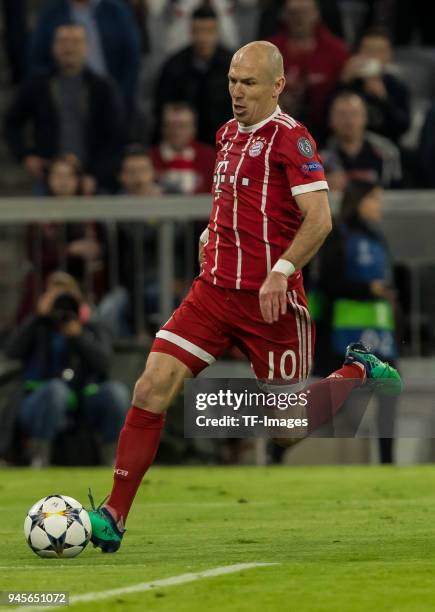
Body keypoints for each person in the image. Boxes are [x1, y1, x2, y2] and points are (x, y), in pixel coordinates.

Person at [87, 41, 401, 552]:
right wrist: (212, 234)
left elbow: (319, 219)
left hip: (270, 304)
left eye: (248, 83)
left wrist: (280, 270)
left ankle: (356, 370)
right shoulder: (226, 135)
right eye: (233, 81)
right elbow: (233, 202)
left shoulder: (292, 140)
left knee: (283, 430)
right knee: (150, 387)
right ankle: (114, 513)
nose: (237, 92)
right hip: (212, 293)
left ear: (277, 85)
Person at [5, 272, 129, 468]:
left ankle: (112, 459)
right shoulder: (39, 325)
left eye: (67, 298)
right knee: (56, 390)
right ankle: (40, 457)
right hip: (38, 400)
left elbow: (104, 362)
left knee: (116, 393)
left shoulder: (91, 327)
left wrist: (79, 336)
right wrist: (38, 317)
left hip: (82, 400)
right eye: (57, 299)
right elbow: (12, 351)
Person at [314, 180, 399, 462]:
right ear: (360, 202)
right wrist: (367, 290)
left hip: (380, 333)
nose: (380, 206)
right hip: (345, 336)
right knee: (329, 407)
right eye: (375, 199)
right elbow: (327, 283)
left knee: (389, 396)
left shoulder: (379, 238)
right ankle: (279, 446)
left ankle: (388, 462)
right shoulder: (340, 236)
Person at [4, 22, 126, 194]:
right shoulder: (37, 84)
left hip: (91, 178)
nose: (69, 48)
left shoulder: (102, 87)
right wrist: (25, 155)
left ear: (86, 47)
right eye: (63, 42)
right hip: (49, 178)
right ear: (53, 46)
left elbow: (115, 137)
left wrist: (97, 174)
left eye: (75, 42)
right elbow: (12, 122)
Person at [28, 0, 141, 112]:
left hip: (111, 101)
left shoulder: (116, 10)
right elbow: (37, 60)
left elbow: (132, 60)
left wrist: (119, 100)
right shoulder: (51, 12)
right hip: (61, 103)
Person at [267, 0, 350, 140]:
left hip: (326, 131)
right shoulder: (268, 49)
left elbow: (344, 93)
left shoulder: (337, 50)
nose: (299, 18)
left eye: (305, 12)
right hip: (279, 129)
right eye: (293, 13)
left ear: (316, 14)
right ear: (284, 16)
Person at [154, 6, 233, 145]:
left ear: (217, 33)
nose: (203, 38)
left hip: (225, 141)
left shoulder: (232, 66)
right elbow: (162, 110)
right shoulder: (174, 66)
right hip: (183, 145)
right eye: (198, 31)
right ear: (190, 32)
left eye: (209, 32)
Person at [338, 27, 410, 143]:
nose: (373, 56)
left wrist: (383, 98)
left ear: (389, 55)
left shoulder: (397, 87)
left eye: (379, 51)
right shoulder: (349, 83)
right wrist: (343, 82)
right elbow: (326, 119)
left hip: (385, 148)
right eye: (368, 50)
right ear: (359, 53)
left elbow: (403, 127)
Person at [321, 91, 402, 191]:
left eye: (354, 114)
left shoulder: (386, 153)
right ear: (330, 120)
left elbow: (397, 192)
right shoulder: (319, 157)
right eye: (342, 114)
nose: (348, 120)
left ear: (365, 117)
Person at [150, 102, 216, 195]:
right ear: (162, 128)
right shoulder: (150, 158)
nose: (176, 132)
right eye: (170, 126)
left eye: (182, 126)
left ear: (193, 129)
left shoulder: (209, 157)